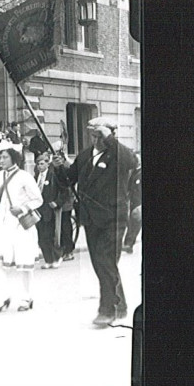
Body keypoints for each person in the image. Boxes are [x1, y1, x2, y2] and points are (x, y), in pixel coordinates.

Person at [52, 116, 138, 326]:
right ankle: (120, 306)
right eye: (94, 134)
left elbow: (132, 162)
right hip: (90, 218)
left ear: (110, 134)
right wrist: (58, 167)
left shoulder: (118, 154)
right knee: (102, 265)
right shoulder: (85, 156)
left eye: (100, 135)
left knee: (105, 262)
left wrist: (111, 140)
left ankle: (107, 309)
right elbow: (68, 180)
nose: (95, 139)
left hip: (113, 218)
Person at [0, 144, 43, 312]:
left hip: (20, 225)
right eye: (0, 157)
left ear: (14, 157)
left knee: (24, 262)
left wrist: (23, 209)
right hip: (1, 226)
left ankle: (27, 298)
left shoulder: (24, 176)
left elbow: (38, 200)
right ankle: (2, 297)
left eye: (4, 157)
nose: (1, 160)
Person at [34, 153, 66, 269]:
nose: (40, 166)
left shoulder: (53, 175)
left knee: (50, 235)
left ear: (48, 164)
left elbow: (64, 190)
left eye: (42, 164)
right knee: (41, 236)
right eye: (38, 164)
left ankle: (57, 257)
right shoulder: (36, 176)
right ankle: (48, 260)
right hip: (38, 210)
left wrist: (57, 202)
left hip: (49, 209)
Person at [122, 153, 142, 254]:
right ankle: (128, 244)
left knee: (135, 224)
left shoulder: (140, 173)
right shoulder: (133, 172)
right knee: (133, 224)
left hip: (139, 203)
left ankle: (128, 244)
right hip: (133, 202)